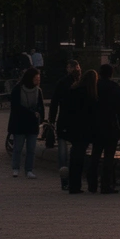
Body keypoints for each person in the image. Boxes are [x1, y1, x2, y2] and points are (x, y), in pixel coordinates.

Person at [88, 65, 120, 194]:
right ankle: (106, 185)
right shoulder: (115, 88)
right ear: (111, 74)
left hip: (95, 125)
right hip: (110, 126)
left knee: (95, 155)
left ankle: (92, 184)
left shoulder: (94, 87)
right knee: (108, 157)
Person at [48, 60, 81, 190]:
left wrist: (51, 119)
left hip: (64, 120)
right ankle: (73, 178)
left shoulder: (61, 83)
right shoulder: (81, 83)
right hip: (77, 121)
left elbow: (54, 102)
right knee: (76, 150)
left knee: (62, 154)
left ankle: (64, 180)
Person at [64, 70, 98, 194]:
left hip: (74, 129)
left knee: (75, 156)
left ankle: (73, 184)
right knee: (79, 157)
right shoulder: (90, 94)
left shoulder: (74, 90)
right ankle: (76, 185)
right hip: (84, 130)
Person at [7, 68, 44, 179]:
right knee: (18, 147)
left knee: (31, 149)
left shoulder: (38, 91)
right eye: (36, 78)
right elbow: (16, 107)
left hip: (32, 123)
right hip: (20, 123)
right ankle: (16, 168)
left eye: (39, 79)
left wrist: (40, 116)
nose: (38, 81)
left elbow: (41, 106)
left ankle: (29, 169)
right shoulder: (18, 90)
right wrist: (32, 113)